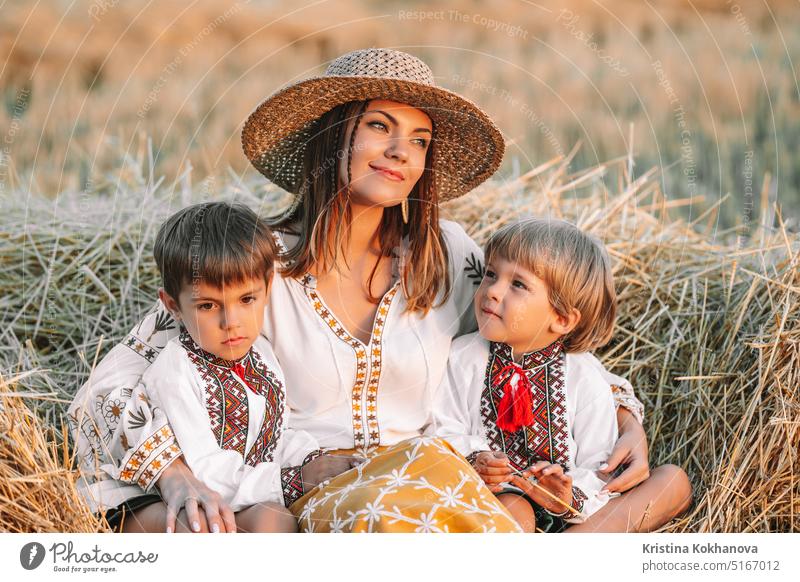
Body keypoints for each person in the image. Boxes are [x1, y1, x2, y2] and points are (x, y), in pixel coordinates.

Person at [70, 48, 690, 533]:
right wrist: (175, 476)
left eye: (419, 140)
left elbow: (538, 340)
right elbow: (116, 384)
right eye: (379, 126)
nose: (400, 152)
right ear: (334, 134)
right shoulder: (258, 267)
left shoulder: (452, 258)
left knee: (660, 482)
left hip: (436, 485)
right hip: (314, 494)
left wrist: (624, 415)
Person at [68, 202, 356, 532]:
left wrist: (312, 459)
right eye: (208, 306)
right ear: (173, 306)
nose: (230, 322)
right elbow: (203, 470)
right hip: (161, 494)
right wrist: (290, 481)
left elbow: (275, 436)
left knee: (273, 518)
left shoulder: (262, 354)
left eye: (246, 299)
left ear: (267, 290)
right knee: (208, 528)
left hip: (234, 492)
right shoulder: (175, 369)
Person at [434, 218, 646, 532]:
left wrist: (565, 496)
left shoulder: (585, 379)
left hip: (567, 513)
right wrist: (475, 457)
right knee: (514, 507)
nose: (492, 290)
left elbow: (601, 465)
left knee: (672, 480)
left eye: (517, 284)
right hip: (489, 499)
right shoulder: (462, 358)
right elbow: (441, 425)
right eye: (491, 274)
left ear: (561, 319)